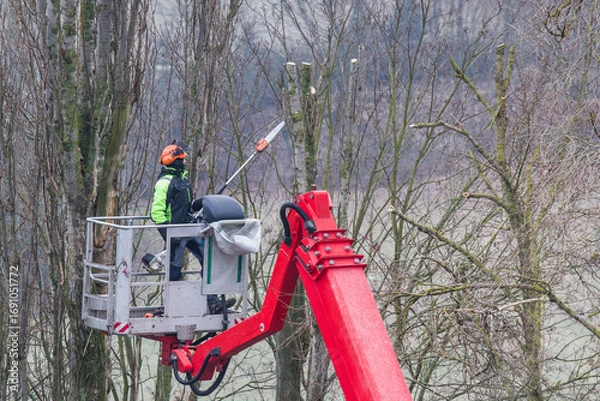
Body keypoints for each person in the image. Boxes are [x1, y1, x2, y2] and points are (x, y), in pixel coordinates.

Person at [148, 140, 234, 313]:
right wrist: (169, 233)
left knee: (209, 259)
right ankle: (171, 307)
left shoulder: (184, 181)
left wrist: (199, 204)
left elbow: (186, 206)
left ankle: (213, 302)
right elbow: (156, 213)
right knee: (174, 270)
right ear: (176, 161)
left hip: (190, 228)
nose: (185, 161)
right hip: (175, 231)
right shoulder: (164, 182)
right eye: (183, 158)